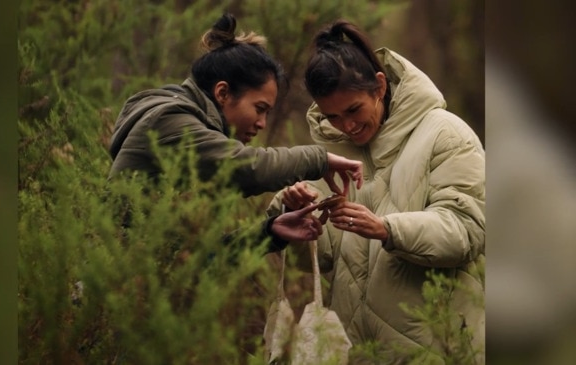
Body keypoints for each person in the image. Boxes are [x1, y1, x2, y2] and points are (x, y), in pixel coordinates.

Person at [267, 20, 485, 363]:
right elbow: (324, 259)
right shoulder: (331, 155)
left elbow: (466, 231)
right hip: (359, 352)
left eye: (353, 110)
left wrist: (388, 229)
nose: (347, 126)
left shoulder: (447, 135)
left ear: (379, 86)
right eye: (333, 117)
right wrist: (295, 219)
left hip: (438, 348)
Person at [108, 13, 362, 247]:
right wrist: (318, 159)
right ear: (223, 93)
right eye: (259, 108)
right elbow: (247, 168)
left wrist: (269, 232)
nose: (262, 123)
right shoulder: (168, 119)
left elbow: (192, 256)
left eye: (267, 113)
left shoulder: (179, 118)